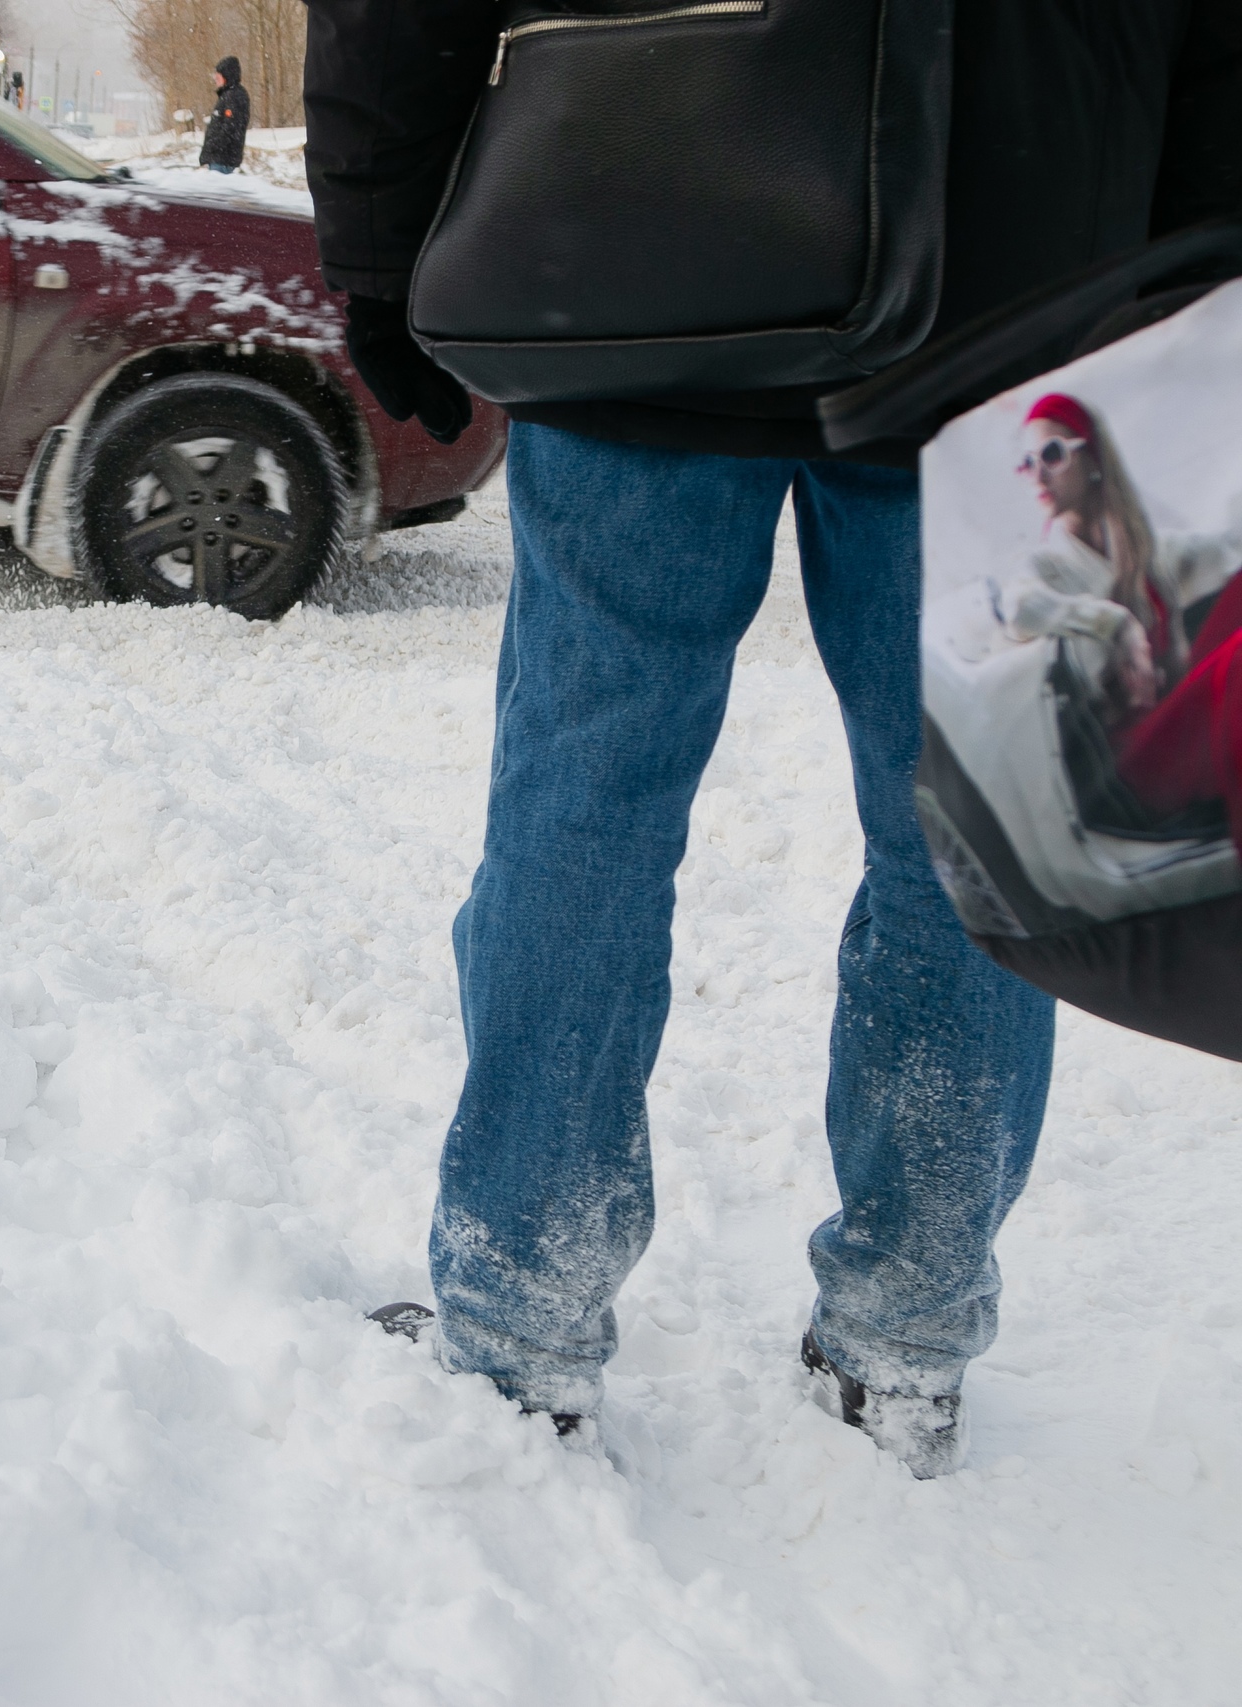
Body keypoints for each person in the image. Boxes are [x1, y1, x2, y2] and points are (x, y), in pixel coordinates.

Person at [304, 3, 1242, 1477]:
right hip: (1007, 289)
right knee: (971, 826)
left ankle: (522, 1318)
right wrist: (1182, 275)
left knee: (584, 799)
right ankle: (905, 1335)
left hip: (633, 255)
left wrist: (376, 238)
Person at [1000, 392, 1242, 826]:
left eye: (1051, 455)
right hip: (1137, 760)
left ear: (1092, 458)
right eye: (1026, 463)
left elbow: (1224, 549)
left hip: (1179, 714)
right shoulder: (1045, 566)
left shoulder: (1146, 549)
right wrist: (1114, 622)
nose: (1036, 474)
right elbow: (1018, 607)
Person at [197, 56, 245, 174]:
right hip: (219, 158)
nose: (215, 78)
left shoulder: (233, 97)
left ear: (227, 76)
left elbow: (229, 128)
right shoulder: (228, 95)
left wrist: (213, 146)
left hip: (222, 160)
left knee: (217, 190)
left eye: (218, 75)